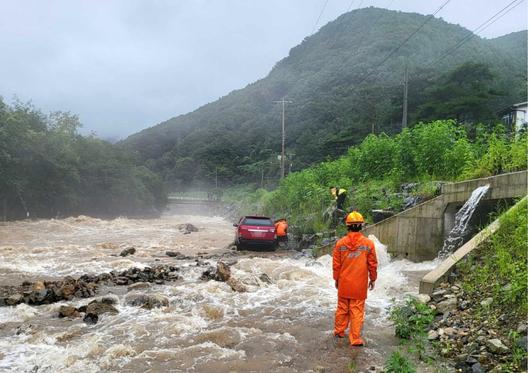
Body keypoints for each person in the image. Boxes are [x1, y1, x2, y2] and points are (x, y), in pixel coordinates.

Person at [332, 211, 378, 347]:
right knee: (356, 311)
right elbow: (373, 264)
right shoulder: (368, 244)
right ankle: (355, 339)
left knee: (342, 308)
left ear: (347, 226)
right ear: (361, 226)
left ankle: (339, 331)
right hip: (359, 284)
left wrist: (336, 279)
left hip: (344, 283)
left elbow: (336, 265)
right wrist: (373, 278)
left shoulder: (340, 244)